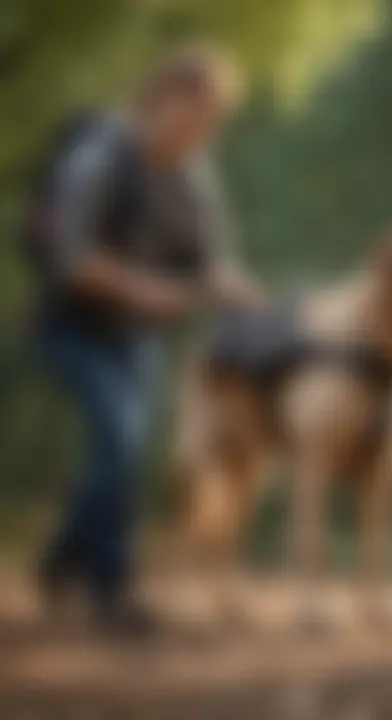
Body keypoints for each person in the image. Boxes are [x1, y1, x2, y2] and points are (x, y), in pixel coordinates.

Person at [29, 44, 262, 633]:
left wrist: (238, 289)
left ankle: (61, 561)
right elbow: (70, 254)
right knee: (119, 439)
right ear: (165, 98)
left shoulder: (194, 172)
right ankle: (113, 591)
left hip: (134, 339)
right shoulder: (98, 157)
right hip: (69, 325)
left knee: (121, 451)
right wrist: (143, 290)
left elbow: (211, 258)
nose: (205, 130)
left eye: (216, 120)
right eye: (200, 113)